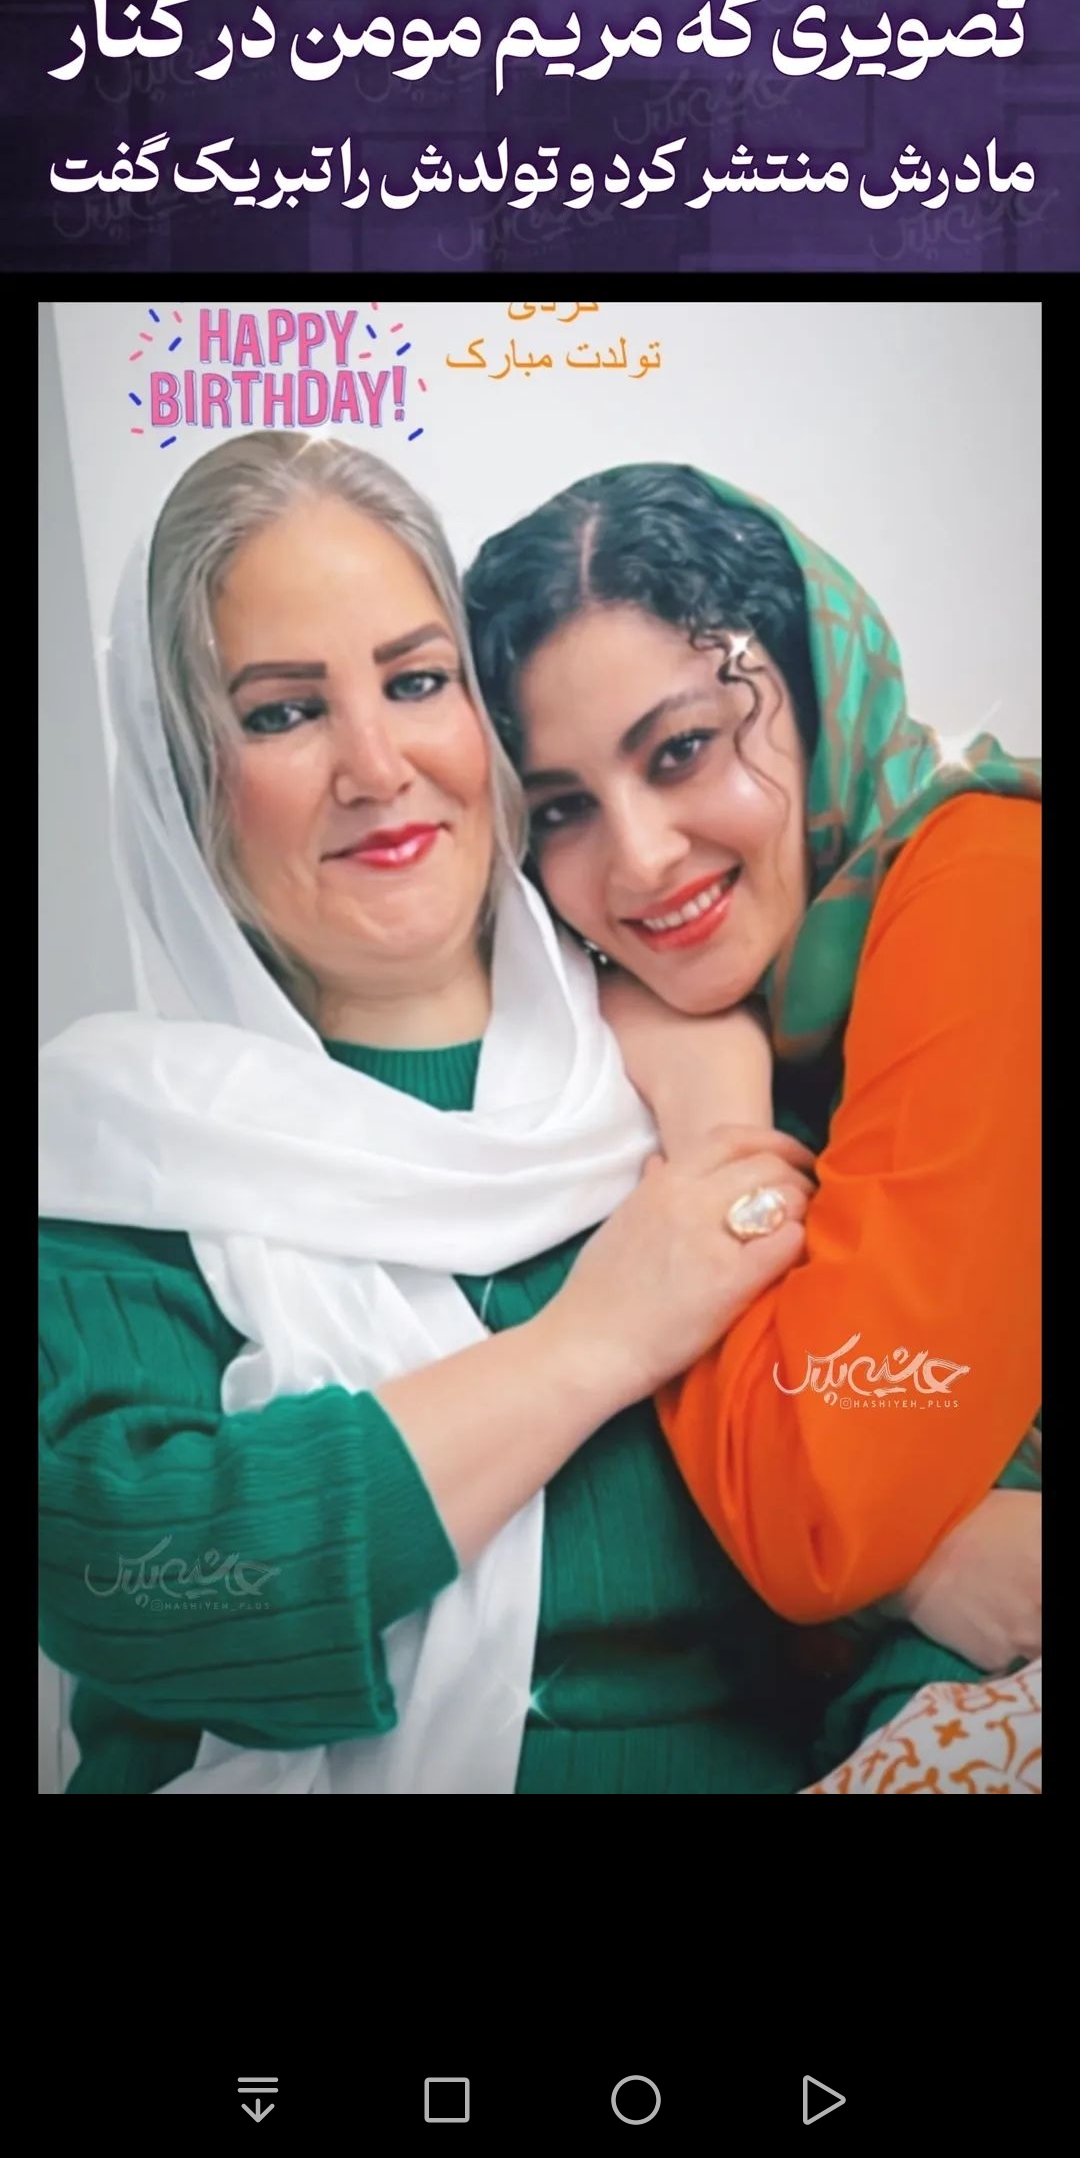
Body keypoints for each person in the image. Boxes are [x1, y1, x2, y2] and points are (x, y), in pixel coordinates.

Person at [40, 430, 830, 1797]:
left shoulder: (697, 1050)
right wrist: (591, 1342)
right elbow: (139, 1589)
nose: (377, 764)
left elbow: (884, 1450)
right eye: (283, 713)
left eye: (416, 682)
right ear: (181, 778)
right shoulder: (120, 1153)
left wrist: (935, 1560)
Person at [464, 462, 1041, 1781]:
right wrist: (924, 1565)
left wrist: (713, 1117)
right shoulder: (630, 1046)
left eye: (682, 750)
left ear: (813, 691)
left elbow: (821, 1508)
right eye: (562, 811)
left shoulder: (989, 891)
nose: (641, 858)